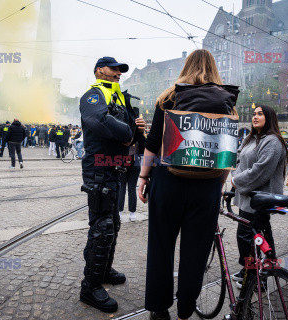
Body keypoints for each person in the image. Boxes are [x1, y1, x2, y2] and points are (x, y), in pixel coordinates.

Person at [138, 49, 237, 320]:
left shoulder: (169, 96)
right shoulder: (227, 101)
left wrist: (144, 177)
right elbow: (227, 155)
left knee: (161, 245)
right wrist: (218, 184)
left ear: (186, 66)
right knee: (195, 251)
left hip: (168, 181)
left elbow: (152, 141)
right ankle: (185, 311)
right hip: (206, 187)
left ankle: (159, 310)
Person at [79, 56, 145, 313]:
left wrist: (138, 128)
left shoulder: (119, 98)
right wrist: (130, 132)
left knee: (112, 223)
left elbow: (133, 136)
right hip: (98, 168)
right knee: (103, 226)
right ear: (99, 70)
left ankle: (103, 270)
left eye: (120, 70)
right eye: (113, 68)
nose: (118, 72)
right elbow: (98, 120)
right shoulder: (93, 95)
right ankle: (90, 287)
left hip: (116, 167)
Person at [231, 105, 288, 289]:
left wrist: (236, 181)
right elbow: (239, 160)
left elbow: (261, 170)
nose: (255, 117)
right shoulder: (251, 139)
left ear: (269, 117)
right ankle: (251, 271)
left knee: (249, 237)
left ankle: (257, 277)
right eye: (254, 114)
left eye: (260, 114)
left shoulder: (272, 141)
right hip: (248, 197)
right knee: (256, 236)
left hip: (260, 199)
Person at [118, 134, 144, 221]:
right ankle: (132, 213)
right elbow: (143, 148)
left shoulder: (121, 132)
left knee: (121, 188)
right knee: (132, 188)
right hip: (135, 162)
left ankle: (119, 212)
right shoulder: (139, 135)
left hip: (122, 161)